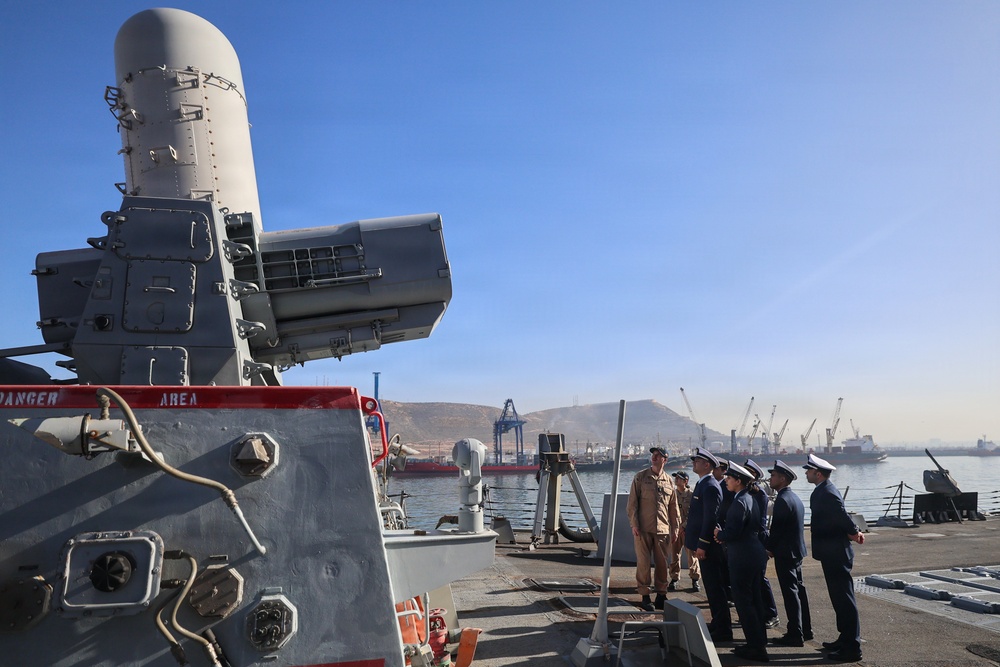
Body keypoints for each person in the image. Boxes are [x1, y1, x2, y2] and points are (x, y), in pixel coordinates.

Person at [804, 453, 865, 663]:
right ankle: (844, 638)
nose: (806, 473)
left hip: (837, 553)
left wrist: (855, 531)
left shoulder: (827, 493)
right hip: (830, 552)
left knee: (845, 599)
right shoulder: (822, 490)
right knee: (838, 599)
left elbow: (841, 515)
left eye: (809, 470)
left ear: (817, 473)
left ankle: (852, 647)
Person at [714, 461, 769, 663]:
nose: (726, 480)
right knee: (755, 600)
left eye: (729, 478)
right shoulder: (751, 498)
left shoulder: (739, 502)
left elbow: (733, 532)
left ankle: (756, 648)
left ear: (738, 481)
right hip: (754, 553)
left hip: (742, 556)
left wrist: (720, 534)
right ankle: (757, 642)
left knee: (744, 602)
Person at [626, 446, 682, 611]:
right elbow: (632, 504)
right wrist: (634, 524)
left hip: (663, 529)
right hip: (643, 529)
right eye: (653, 455)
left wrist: (676, 528)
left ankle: (661, 594)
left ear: (665, 459)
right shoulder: (641, 477)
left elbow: (674, 507)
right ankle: (645, 595)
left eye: (658, 455)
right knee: (643, 563)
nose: (654, 457)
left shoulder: (668, 481)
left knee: (662, 563)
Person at [684, 447, 731, 642]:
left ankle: (724, 630)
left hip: (709, 547)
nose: (694, 463)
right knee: (711, 588)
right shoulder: (703, 483)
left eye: (698, 460)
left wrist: (702, 544)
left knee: (715, 587)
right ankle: (717, 622)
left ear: (707, 465)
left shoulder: (710, 486)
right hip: (703, 545)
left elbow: (709, 519)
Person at [765, 459, 813, 647]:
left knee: (791, 593)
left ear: (782, 479)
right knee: (799, 591)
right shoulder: (793, 498)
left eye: (773, 475)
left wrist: (768, 548)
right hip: (795, 552)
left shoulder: (783, 501)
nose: (770, 478)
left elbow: (777, 530)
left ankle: (795, 633)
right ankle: (805, 629)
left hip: (786, 554)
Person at [744, 459, 779, 629]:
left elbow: (758, 522)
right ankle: (759, 612)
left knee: (760, 579)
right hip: (748, 541)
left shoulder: (759, 494)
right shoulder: (745, 492)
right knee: (751, 579)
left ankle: (771, 614)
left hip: (757, 541)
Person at [668, 470, 701, 592]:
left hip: (688, 530)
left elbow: (694, 513)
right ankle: (674, 578)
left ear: (685, 481)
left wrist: (684, 526)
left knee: (692, 555)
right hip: (675, 529)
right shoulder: (673, 494)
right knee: (674, 555)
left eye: (679, 478)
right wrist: (675, 527)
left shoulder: (692, 495)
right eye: (676, 478)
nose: (676, 480)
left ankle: (695, 579)